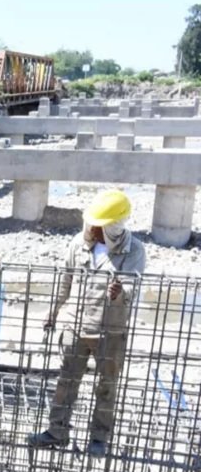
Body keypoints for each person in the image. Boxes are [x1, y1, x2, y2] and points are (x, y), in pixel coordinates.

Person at [28, 189, 145, 458]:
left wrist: (120, 292)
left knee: (107, 385)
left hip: (110, 330)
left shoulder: (133, 250)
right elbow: (65, 282)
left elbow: (132, 286)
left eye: (98, 225)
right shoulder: (78, 244)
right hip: (75, 324)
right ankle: (57, 431)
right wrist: (53, 312)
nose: (91, 228)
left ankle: (99, 438)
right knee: (66, 380)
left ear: (113, 227)